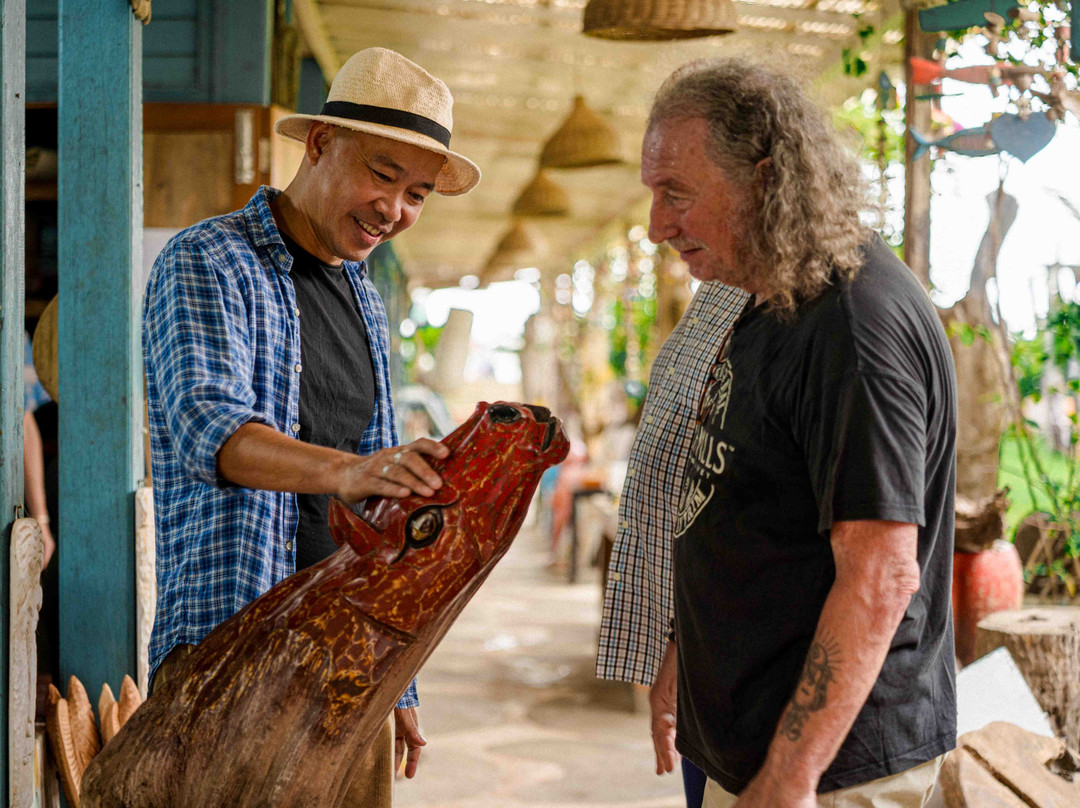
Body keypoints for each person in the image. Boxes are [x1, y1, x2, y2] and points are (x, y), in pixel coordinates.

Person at [142, 47, 480, 805]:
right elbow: (209, 428)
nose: (395, 209)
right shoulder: (210, 261)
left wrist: (403, 683)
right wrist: (349, 470)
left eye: (418, 194)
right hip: (233, 662)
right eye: (383, 175)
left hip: (350, 665)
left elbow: (384, 523)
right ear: (320, 145)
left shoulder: (363, 300)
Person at [640, 59, 957, 808]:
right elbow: (747, 495)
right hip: (762, 747)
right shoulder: (774, 290)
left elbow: (879, 575)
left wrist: (790, 777)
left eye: (675, 194)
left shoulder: (853, 325)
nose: (657, 225)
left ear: (764, 178)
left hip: (834, 772)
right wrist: (690, 651)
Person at [595, 281, 747, 808]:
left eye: (678, 195)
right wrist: (679, 651)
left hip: (758, 677)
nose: (662, 226)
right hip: (706, 646)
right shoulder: (720, 295)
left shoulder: (806, 319)